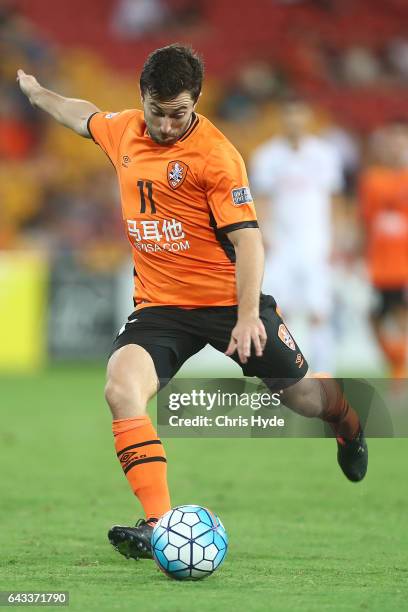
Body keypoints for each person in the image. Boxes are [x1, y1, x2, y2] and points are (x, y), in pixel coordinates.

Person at [17, 44, 367, 563]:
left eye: (177, 113)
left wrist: (249, 316)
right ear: (143, 100)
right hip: (160, 308)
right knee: (120, 388)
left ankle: (349, 423)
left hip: (228, 302)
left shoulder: (218, 156)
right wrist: (40, 93)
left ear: (196, 102)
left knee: (305, 401)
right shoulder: (124, 131)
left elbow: (249, 240)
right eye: (156, 112)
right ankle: (160, 524)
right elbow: (82, 115)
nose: (163, 124)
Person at [250, 98, 343, 372]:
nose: (294, 121)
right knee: (280, 311)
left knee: (319, 309)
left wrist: (336, 237)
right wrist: (264, 235)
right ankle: (287, 370)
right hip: (280, 243)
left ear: (308, 118)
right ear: (282, 119)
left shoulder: (325, 154)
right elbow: (262, 199)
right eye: (289, 116)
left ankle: (323, 371)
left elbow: (335, 198)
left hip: (316, 241)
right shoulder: (267, 156)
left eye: (299, 115)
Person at [359, 121, 408, 378]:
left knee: (400, 315)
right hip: (379, 266)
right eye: (392, 142)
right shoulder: (372, 180)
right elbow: (365, 221)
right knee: (375, 318)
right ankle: (397, 363)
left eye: (401, 142)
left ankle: (400, 371)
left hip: (403, 265)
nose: (396, 147)